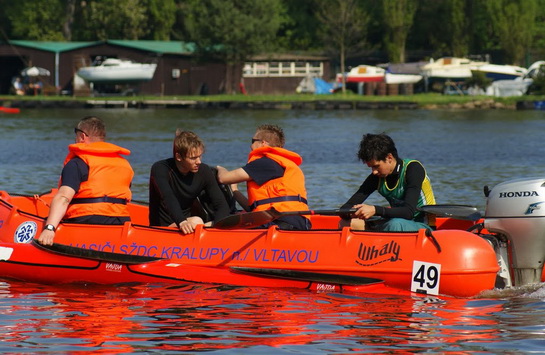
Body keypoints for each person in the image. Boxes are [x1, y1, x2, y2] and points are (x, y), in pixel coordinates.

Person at [38, 116, 134, 245]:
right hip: (120, 222)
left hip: (86, 220)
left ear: (82, 137)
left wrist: (49, 228)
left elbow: (63, 198)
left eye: (76, 136)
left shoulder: (78, 163)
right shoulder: (124, 164)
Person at [216, 124, 311, 230]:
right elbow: (253, 208)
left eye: (253, 141)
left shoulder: (266, 163)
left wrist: (220, 169)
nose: (250, 146)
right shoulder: (280, 163)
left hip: (283, 221)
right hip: (291, 220)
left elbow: (223, 178)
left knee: (229, 227)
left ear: (263, 143)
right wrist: (235, 191)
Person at [340, 133, 436, 232]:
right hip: (395, 222)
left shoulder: (413, 169)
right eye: (371, 167)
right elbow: (345, 207)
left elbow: (408, 212)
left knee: (395, 224)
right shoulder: (376, 177)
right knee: (346, 223)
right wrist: (351, 211)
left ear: (389, 158)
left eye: (376, 166)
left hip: (422, 225)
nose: (374, 172)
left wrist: (375, 210)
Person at [149, 129, 230, 234]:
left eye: (200, 156)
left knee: (221, 219)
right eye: (193, 158)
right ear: (178, 157)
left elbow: (221, 204)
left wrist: (218, 227)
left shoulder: (204, 171)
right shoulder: (160, 169)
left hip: (188, 225)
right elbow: (168, 197)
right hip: (164, 228)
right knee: (197, 221)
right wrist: (181, 221)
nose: (199, 162)